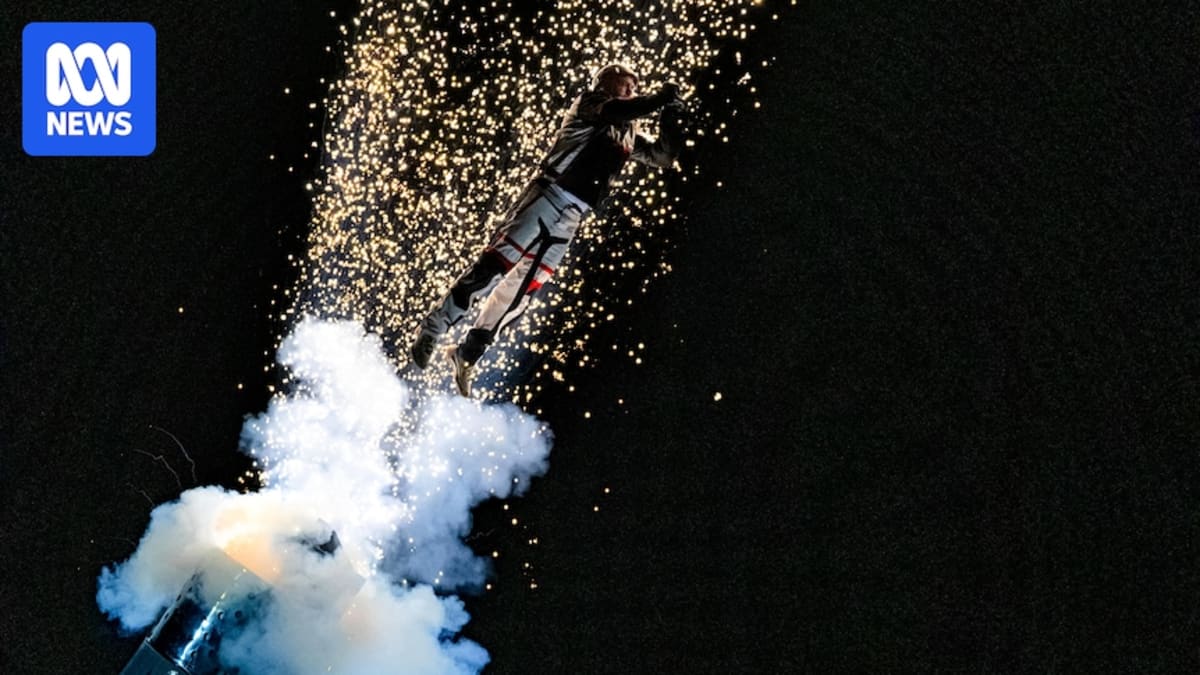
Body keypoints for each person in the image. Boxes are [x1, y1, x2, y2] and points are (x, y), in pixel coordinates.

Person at [408, 63, 685, 396]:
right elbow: (619, 108)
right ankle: (432, 328)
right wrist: (660, 98)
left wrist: (670, 115)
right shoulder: (592, 103)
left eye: (636, 86)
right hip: (548, 196)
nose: (633, 89)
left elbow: (664, 156)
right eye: (627, 83)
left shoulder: (627, 130)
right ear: (606, 83)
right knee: (495, 267)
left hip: (572, 217)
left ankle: (467, 353)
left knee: (520, 294)